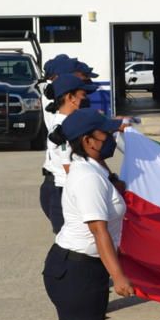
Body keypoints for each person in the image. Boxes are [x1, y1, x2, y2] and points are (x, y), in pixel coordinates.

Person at [44, 108, 133, 320]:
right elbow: (99, 232)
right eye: (106, 134)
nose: (111, 138)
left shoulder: (94, 167)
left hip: (81, 268)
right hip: (76, 271)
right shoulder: (86, 177)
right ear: (88, 141)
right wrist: (120, 277)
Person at [40, 75, 99, 234]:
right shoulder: (63, 127)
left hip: (64, 189)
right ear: (70, 98)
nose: (86, 100)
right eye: (83, 96)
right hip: (64, 191)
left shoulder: (68, 121)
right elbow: (69, 169)